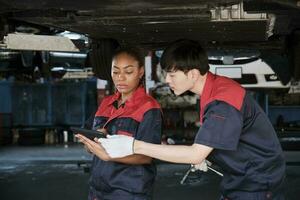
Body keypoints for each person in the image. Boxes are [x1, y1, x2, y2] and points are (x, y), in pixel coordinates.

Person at [99, 39, 286, 200]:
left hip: (256, 185)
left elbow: (195, 154)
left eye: (172, 75)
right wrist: (204, 154)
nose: (168, 80)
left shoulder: (223, 101)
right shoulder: (213, 90)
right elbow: (220, 138)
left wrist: (134, 145)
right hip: (243, 180)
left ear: (193, 74)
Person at [76, 47, 162, 200]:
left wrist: (108, 154)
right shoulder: (106, 103)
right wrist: (91, 143)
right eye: (115, 72)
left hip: (128, 192)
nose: (120, 78)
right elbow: (89, 137)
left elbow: (146, 157)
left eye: (128, 72)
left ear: (140, 72)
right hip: (97, 190)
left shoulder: (149, 108)